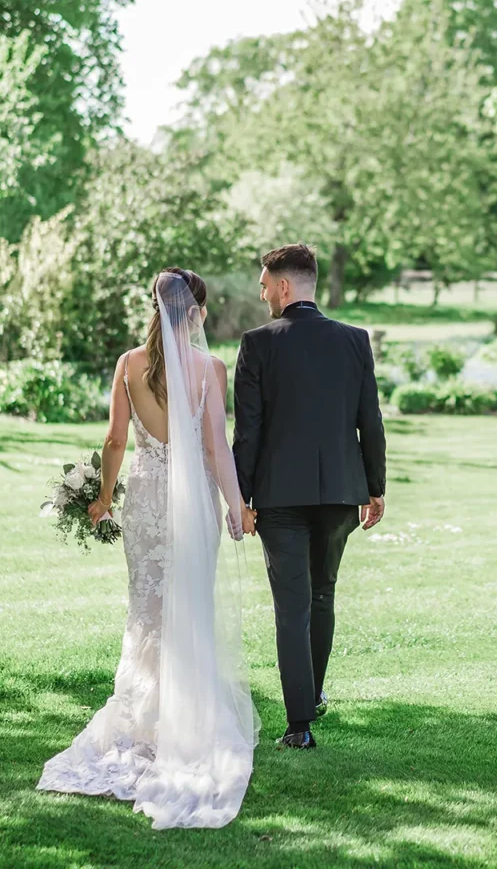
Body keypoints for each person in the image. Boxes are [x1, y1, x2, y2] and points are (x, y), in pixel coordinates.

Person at [37, 268, 257, 828]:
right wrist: (235, 504)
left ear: (155, 308)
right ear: (198, 313)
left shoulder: (130, 364)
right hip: (194, 508)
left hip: (148, 504)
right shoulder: (209, 368)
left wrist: (103, 496)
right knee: (189, 611)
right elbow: (215, 451)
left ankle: (143, 724)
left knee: (147, 613)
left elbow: (115, 439)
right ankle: (186, 723)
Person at [232, 244, 387, 750]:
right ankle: (313, 694)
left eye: (263, 285)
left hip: (279, 497)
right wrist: (375, 487)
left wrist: (242, 497)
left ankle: (299, 725)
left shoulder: (257, 344)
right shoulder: (354, 341)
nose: (261, 294)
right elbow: (371, 421)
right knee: (323, 593)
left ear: (283, 286)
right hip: (342, 492)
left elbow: (248, 432)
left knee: (292, 606)